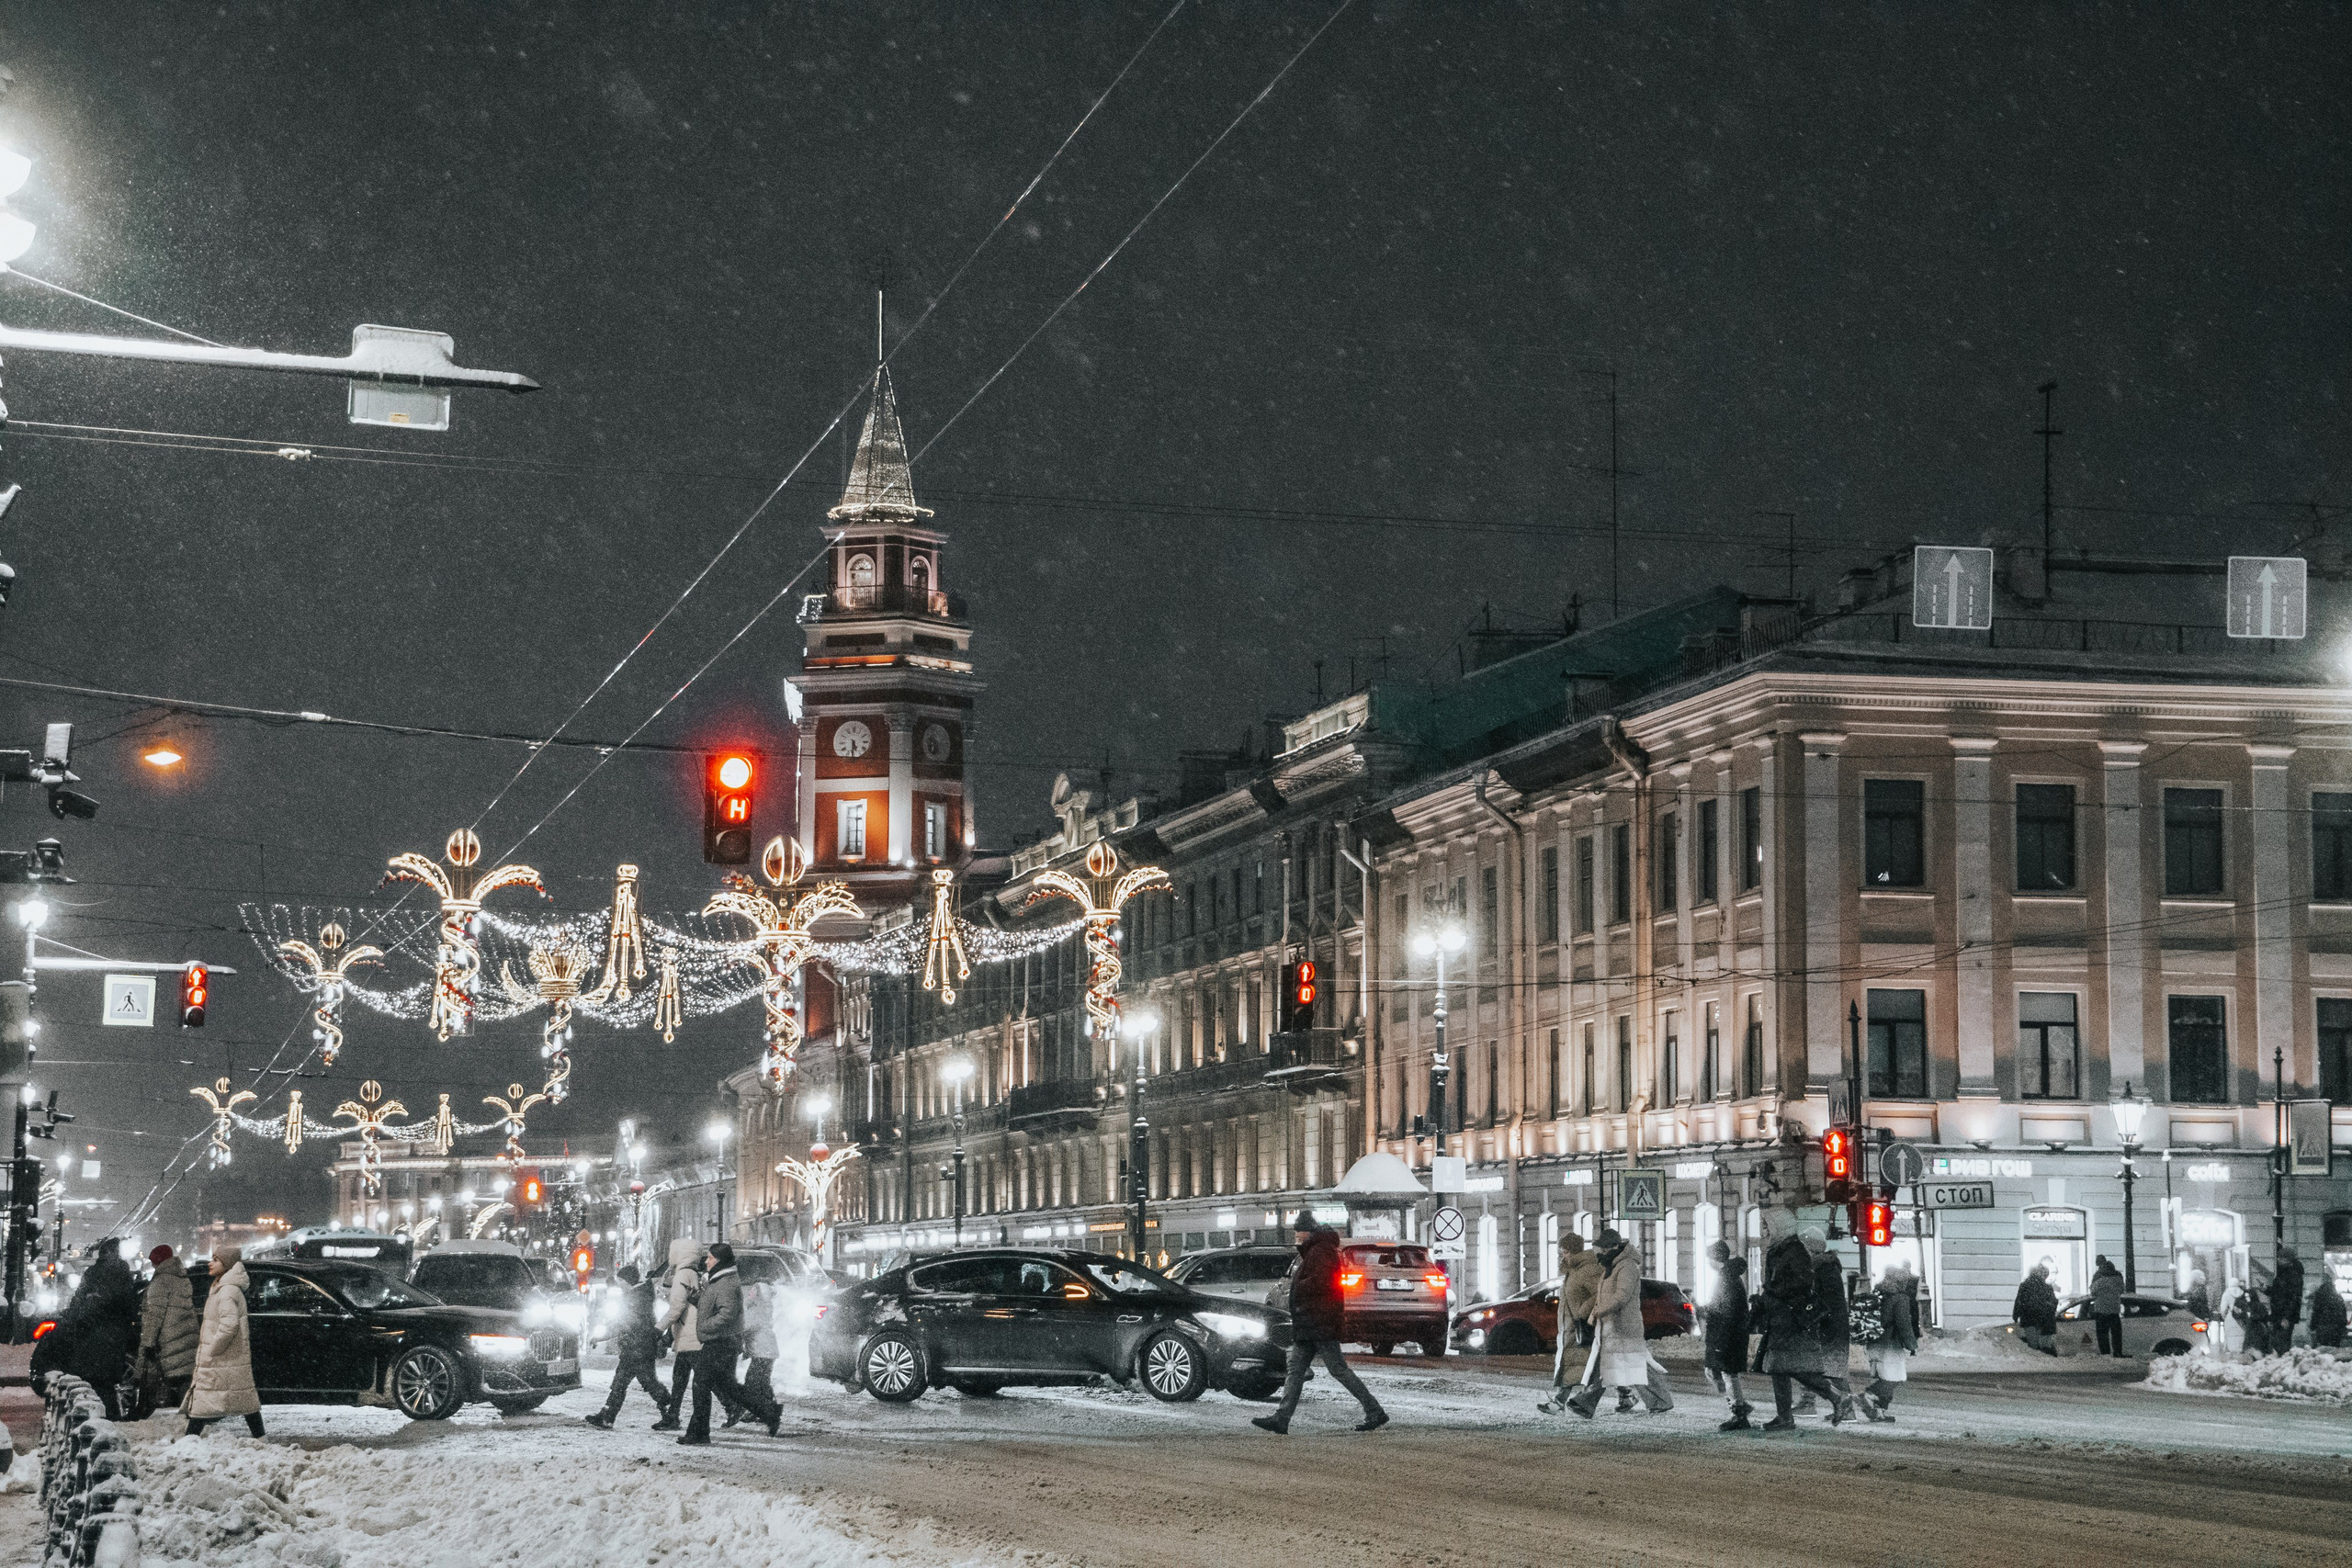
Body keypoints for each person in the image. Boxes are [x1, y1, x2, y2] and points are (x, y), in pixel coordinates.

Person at [1252, 1213, 1387, 1435]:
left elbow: (1322, 1284)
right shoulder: (1316, 1251)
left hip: (1319, 1322)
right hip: (1310, 1322)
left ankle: (1374, 1410)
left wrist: (1301, 1289)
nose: (1296, 1235)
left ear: (1309, 1232)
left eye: (1299, 1231)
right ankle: (1282, 1418)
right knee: (1295, 1370)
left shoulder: (1321, 1251)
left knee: (1338, 1370)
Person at [1752, 1210, 1849, 1430]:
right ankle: (1786, 1416)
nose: (1764, 1230)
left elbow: (1802, 1283)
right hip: (1780, 1317)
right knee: (1780, 1367)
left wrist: (1773, 1291)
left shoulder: (1793, 1251)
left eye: (1767, 1226)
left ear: (1779, 1227)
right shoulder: (1780, 1250)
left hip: (1790, 1320)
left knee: (1790, 1367)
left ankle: (1834, 1397)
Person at [680, 1244, 780, 1445]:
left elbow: (727, 1313)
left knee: (701, 1384)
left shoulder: (725, 1281)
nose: (706, 1262)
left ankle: (699, 1433)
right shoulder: (719, 1279)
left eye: (709, 1258)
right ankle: (769, 1412)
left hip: (720, 1341)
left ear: (719, 1259)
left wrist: (707, 1326)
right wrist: (696, 1299)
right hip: (722, 1340)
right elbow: (717, 1307)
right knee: (728, 1386)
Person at [1565, 1229, 1670, 1417]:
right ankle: (1586, 1403)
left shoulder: (1627, 1266)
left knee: (1634, 1365)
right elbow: (1602, 1295)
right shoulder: (1611, 1266)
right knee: (1608, 1365)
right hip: (1610, 1325)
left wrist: (1600, 1311)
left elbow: (1622, 1296)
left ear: (1613, 1247)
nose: (1600, 1252)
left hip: (1624, 1326)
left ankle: (1660, 1400)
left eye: (1603, 1248)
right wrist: (1593, 1316)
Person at [655, 1237, 739, 1430]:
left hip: (690, 1333)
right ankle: (673, 1416)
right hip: (690, 1331)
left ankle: (731, 1406)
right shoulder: (691, 1272)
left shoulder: (683, 1275)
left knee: (700, 1378)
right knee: (682, 1377)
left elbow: (677, 1307)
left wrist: (658, 1329)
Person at [183, 1248, 263, 1438]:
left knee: (206, 1398)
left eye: (216, 1260)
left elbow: (229, 1325)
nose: (211, 1263)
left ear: (226, 1265)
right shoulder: (223, 1287)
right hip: (229, 1357)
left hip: (221, 1356)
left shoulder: (226, 1291)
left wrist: (213, 1349)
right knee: (243, 1397)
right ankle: (261, 1437)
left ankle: (189, 1439)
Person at [57, 1239, 139, 1419]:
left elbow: (78, 1302)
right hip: (115, 1336)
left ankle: (93, 1418)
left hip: (92, 1334)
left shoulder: (93, 1273)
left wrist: (73, 1318)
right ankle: (111, 1417)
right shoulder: (124, 1275)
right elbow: (130, 1307)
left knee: (92, 1380)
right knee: (107, 1381)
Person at [583, 1263, 669, 1429]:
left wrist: (600, 1337)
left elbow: (621, 1325)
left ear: (627, 1281)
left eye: (620, 1280)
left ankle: (670, 1410)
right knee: (623, 1383)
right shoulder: (640, 1295)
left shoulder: (633, 1299)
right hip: (638, 1347)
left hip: (637, 1348)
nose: (618, 1284)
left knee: (644, 1383)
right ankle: (607, 1416)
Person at [1537, 1231, 1602, 1416]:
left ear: (1574, 1251)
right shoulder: (1572, 1270)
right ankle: (1560, 1402)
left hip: (1582, 1326)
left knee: (1588, 1367)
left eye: (1565, 1252)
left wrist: (1582, 1313)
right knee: (1577, 1366)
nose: (1563, 1255)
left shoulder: (1588, 1269)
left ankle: (1561, 1402)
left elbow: (1598, 1294)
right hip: (1570, 1326)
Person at [1804, 1233, 1867, 1422]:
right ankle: (1812, 1404)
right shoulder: (1823, 1267)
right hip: (1831, 1326)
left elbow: (1826, 1301)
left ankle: (1845, 1410)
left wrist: (1813, 1315)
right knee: (1827, 1370)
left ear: (1811, 1248)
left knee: (1833, 1371)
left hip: (1831, 1328)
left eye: (1804, 1248)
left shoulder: (1824, 1268)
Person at [138, 1245, 201, 1414]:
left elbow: (154, 1316)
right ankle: (192, 1412)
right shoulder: (181, 1277)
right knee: (184, 1376)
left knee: (169, 1376)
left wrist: (149, 1343)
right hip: (185, 1332)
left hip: (169, 1335)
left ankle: (151, 1410)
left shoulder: (161, 1282)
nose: (151, 1265)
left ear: (158, 1261)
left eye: (153, 1261)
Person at [1702, 1240, 1753, 1431]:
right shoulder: (1727, 1276)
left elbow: (1727, 1310)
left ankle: (1739, 1412)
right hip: (1728, 1333)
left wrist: (1720, 1338)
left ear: (1715, 1259)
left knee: (1727, 1373)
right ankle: (1739, 1405)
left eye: (1709, 1258)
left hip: (1726, 1334)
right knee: (1719, 1372)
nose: (1708, 1262)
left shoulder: (1726, 1278)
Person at [1863, 1261, 1920, 1417]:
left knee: (1885, 1376)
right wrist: (1911, 1344)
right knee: (1895, 1377)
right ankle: (1870, 1394)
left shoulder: (1877, 1293)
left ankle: (1879, 1411)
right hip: (1890, 1342)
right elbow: (1903, 1323)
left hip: (1873, 1341)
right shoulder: (1900, 1298)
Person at [729, 1269, 779, 1426]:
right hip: (766, 1352)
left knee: (752, 1382)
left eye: (753, 1290)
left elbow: (745, 1327)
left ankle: (762, 1411)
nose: (749, 1292)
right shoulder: (762, 1308)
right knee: (762, 1383)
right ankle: (768, 1410)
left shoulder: (758, 1310)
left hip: (763, 1352)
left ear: (759, 1294)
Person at [2011, 1264, 2059, 1356]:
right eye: (2046, 1275)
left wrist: (2015, 1315)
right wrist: (2050, 1311)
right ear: (2043, 1275)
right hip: (2044, 1320)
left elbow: (2019, 1301)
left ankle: (2034, 1360)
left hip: (2028, 1319)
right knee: (2043, 1346)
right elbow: (2053, 1302)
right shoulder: (2047, 1287)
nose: (2046, 1278)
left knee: (2032, 1345)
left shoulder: (2024, 1285)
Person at [2087, 1255, 2127, 1358]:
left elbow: (2092, 1291)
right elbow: (2122, 1289)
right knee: (2116, 1334)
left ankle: (2105, 1354)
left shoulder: (2098, 1277)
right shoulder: (2118, 1276)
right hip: (2114, 1310)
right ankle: (2117, 1352)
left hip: (2101, 1310)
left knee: (2102, 1335)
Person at [2269, 1247, 2306, 1351]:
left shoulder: (2293, 1275)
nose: (2278, 1259)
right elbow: (2280, 1292)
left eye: (2281, 1257)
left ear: (2288, 1259)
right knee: (2278, 1344)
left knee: (2281, 1345)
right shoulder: (2284, 1273)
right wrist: (2267, 1289)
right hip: (2279, 1315)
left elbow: (2294, 1298)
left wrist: (2287, 1317)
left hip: (2283, 1316)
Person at [2308, 1273, 2346, 1348]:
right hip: (2336, 1329)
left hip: (2323, 1328)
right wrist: (2342, 1326)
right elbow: (2343, 1314)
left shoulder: (2320, 1295)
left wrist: (2312, 1326)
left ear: (2322, 1282)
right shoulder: (2337, 1296)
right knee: (2334, 1351)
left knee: (2324, 1351)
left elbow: (2316, 1312)